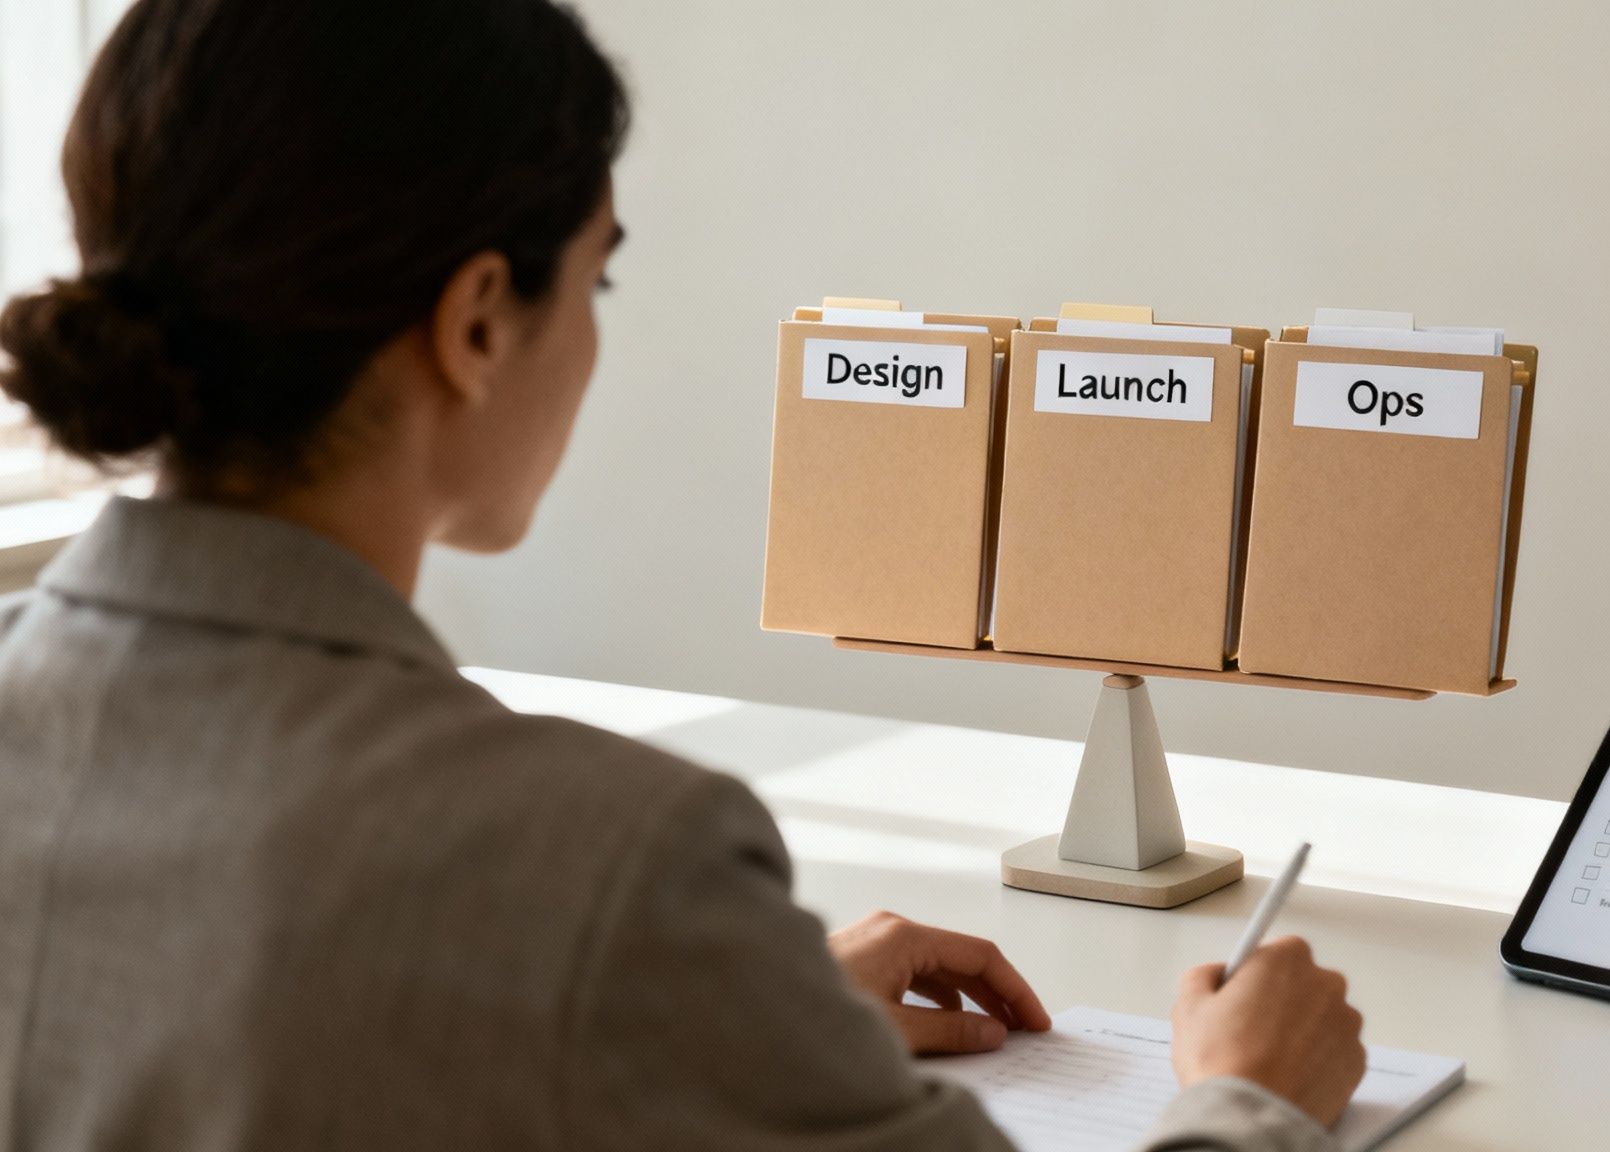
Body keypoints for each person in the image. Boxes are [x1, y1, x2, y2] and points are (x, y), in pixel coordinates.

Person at [0, 1, 1368, 1149]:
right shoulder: (613, 864)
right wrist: (1250, 1100)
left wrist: (725, 1010)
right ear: (478, 322)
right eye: (594, 283)